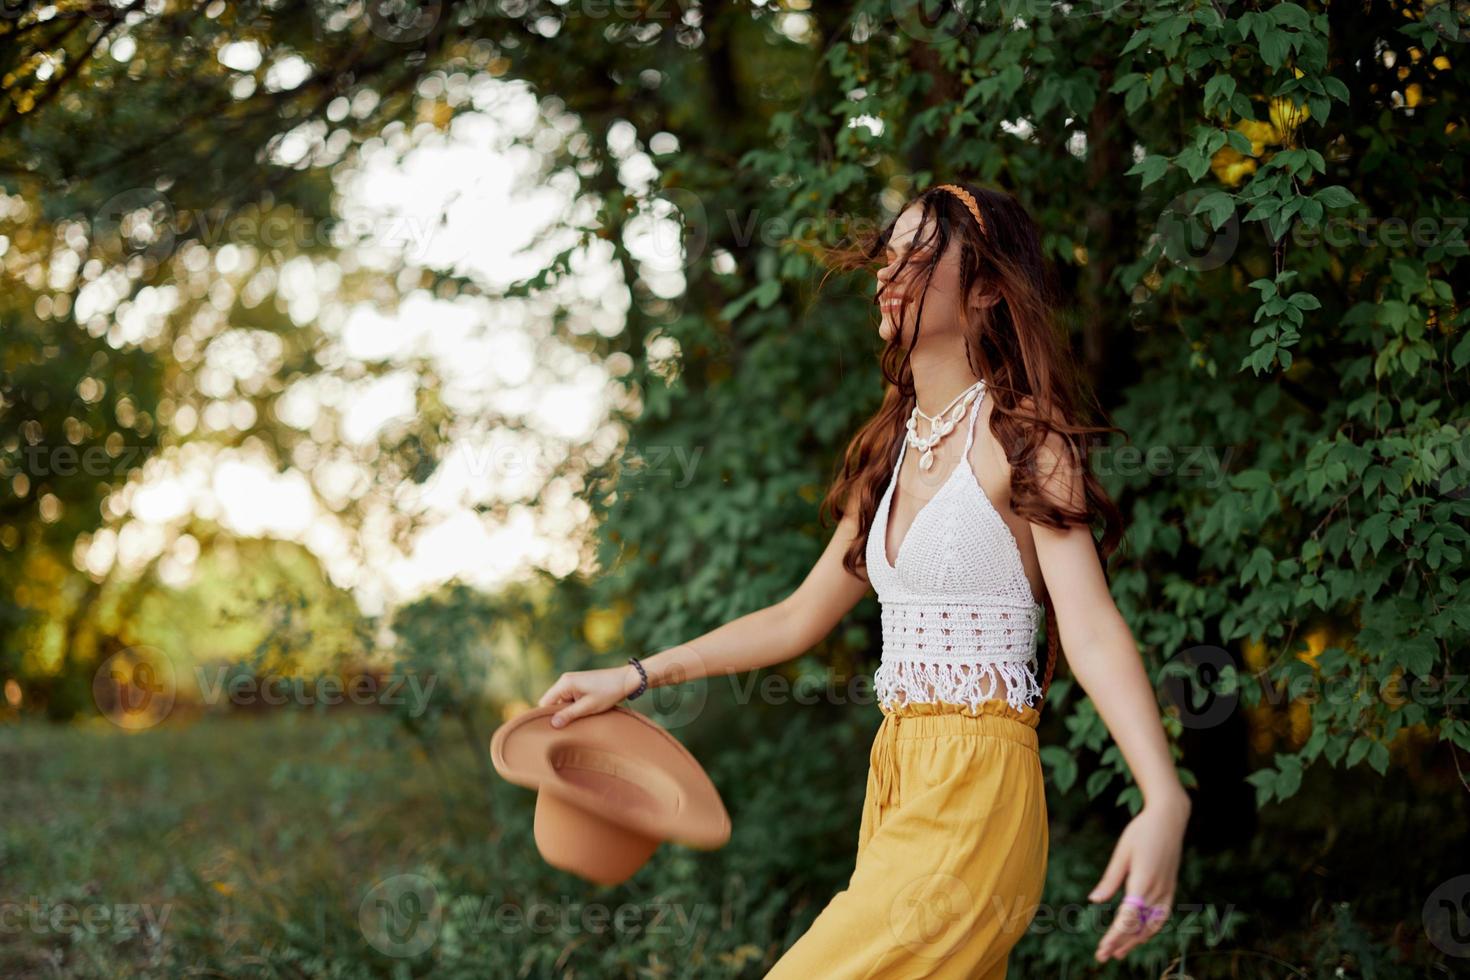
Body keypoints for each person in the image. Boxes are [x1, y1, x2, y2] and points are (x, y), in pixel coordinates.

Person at [536, 181, 1191, 975]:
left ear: (985, 289)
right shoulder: (888, 456)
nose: (889, 273)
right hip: (897, 774)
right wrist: (634, 676)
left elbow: (1089, 627)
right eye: (890, 253)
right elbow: (794, 618)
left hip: (978, 786)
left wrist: (1164, 797)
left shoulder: (1024, 443)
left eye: (920, 256)